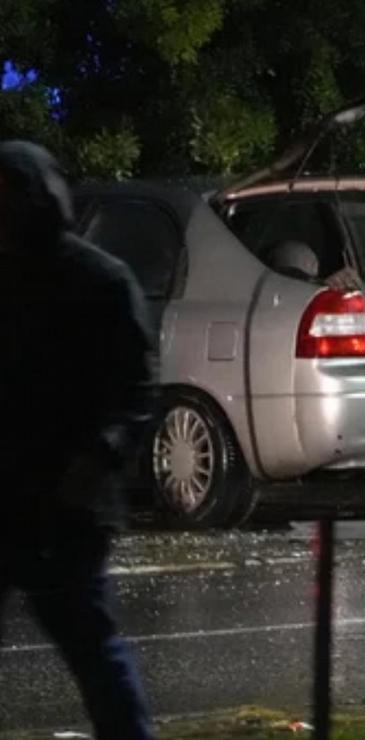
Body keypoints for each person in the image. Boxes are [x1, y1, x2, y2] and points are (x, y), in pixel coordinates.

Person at [0, 141, 157, 739]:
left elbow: (135, 390)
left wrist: (98, 460)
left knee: (92, 647)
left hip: (64, 503)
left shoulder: (97, 281)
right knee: (93, 647)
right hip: (17, 493)